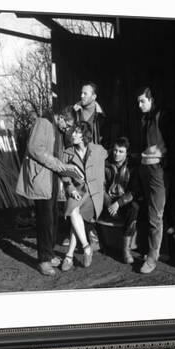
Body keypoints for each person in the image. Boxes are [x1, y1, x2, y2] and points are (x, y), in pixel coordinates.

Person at [16, 106, 78, 276]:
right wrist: (59, 165)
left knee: (52, 220)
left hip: (51, 181)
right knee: (44, 222)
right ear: (61, 118)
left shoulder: (55, 129)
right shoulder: (43, 123)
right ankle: (43, 261)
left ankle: (49, 255)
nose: (66, 129)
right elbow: (35, 148)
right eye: (67, 125)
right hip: (41, 179)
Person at [60, 121, 108, 271]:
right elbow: (63, 173)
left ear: (84, 135)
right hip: (78, 191)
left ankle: (69, 255)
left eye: (76, 132)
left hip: (93, 194)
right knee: (74, 213)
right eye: (73, 132)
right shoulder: (67, 152)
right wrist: (70, 187)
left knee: (76, 217)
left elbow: (108, 156)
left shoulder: (98, 150)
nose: (72, 134)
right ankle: (86, 248)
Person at [136, 86, 173, 274]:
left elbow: (174, 142)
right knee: (151, 210)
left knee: (155, 214)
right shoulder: (144, 119)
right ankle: (160, 251)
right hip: (145, 167)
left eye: (143, 101)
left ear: (152, 100)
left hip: (158, 168)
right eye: (138, 101)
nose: (139, 104)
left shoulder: (162, 117)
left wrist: (165, 164)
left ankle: (152, 258)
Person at [102, 137, 140, 264]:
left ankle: (126, 250)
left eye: (121, 151)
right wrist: (109, 203)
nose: (116, 154)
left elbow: (133, 191)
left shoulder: (132, 167)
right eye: (115, 150)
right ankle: (95, 240)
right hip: (107, 199)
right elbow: (101, 186)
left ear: (127, 152)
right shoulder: (105, 164)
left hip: (123, 200)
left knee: (134, 209)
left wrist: (118, 204)